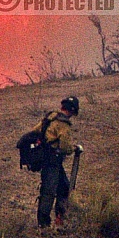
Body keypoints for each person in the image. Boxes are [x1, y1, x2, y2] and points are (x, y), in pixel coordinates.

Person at [34, 96, 80, 228]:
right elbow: (65, 147)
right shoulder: (63, 124)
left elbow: (35, 131)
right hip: (52, 161)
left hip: (46, 159)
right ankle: (45, 224)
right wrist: (74, 148)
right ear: (72, 111)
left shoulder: (50, 117)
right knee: (49, 192)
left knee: (63, 187)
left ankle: (58, 219)